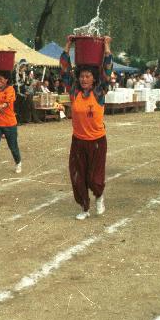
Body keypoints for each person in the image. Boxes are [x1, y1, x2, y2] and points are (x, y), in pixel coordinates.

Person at [60, 36, 113, 220]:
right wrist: (68, 45)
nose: (84, 79)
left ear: (93, 78)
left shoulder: (100, 91)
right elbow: (65, 70)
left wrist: (106, 46)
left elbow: (107, 70)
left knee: (94, 178)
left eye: (88, 76)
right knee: (77, 176)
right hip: (78, 141)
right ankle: (84, 208)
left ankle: (99, 196)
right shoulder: (74, 91)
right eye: (82, 76)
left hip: (97, 141)